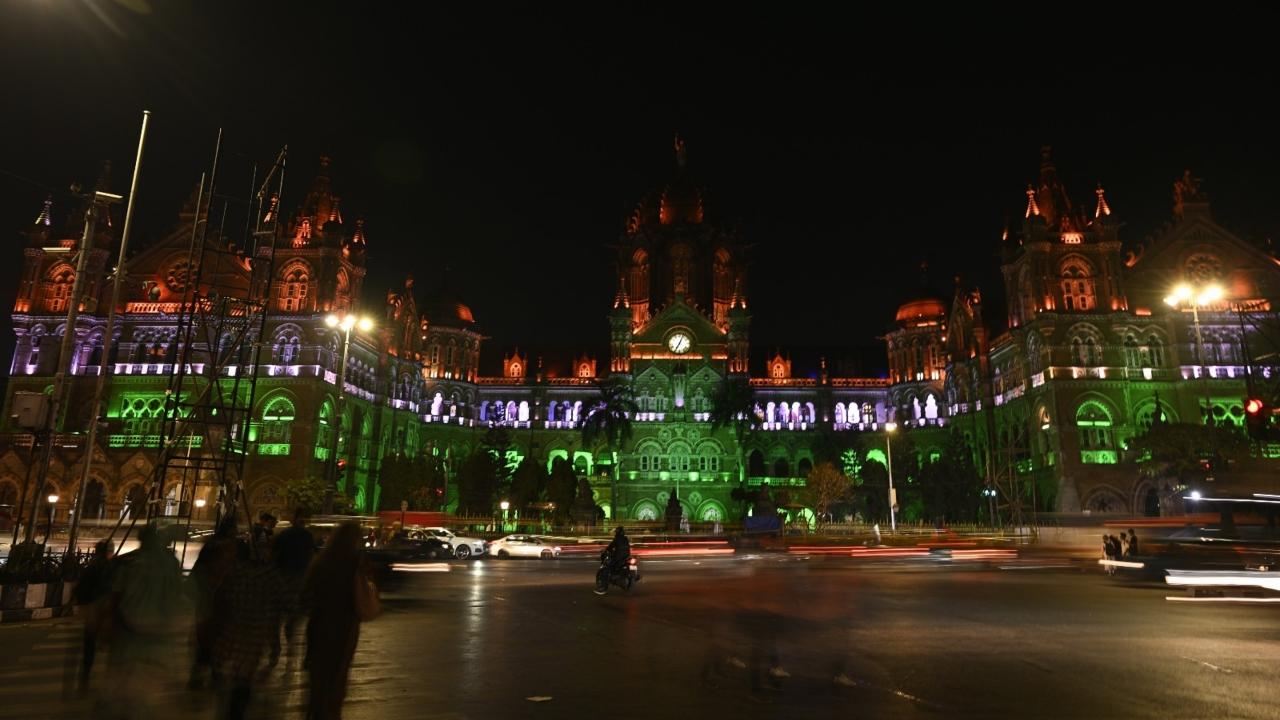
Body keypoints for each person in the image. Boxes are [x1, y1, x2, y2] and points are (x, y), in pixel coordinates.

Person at [304, 522, 374, 720]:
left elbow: (305, 596)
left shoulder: (321, 562)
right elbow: (365, 597)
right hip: (344, 628)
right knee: (336, 682)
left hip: (318, 625)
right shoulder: (354, 564)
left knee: (318, 681)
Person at [271, 509, 316, 668]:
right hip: (298, 579)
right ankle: (289, 647)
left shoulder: (284, 535)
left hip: (284, 578)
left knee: (277, 617)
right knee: (293, 618)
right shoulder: (307, 536)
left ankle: (276, 649)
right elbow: (311, 557)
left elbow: (274, 554)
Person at [72, 539, 115, 691]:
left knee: (89, 646)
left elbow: (80, 588)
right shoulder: (111, 567)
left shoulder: (90, 566)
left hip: (91, 610)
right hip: (105, 611)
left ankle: (85, 676)